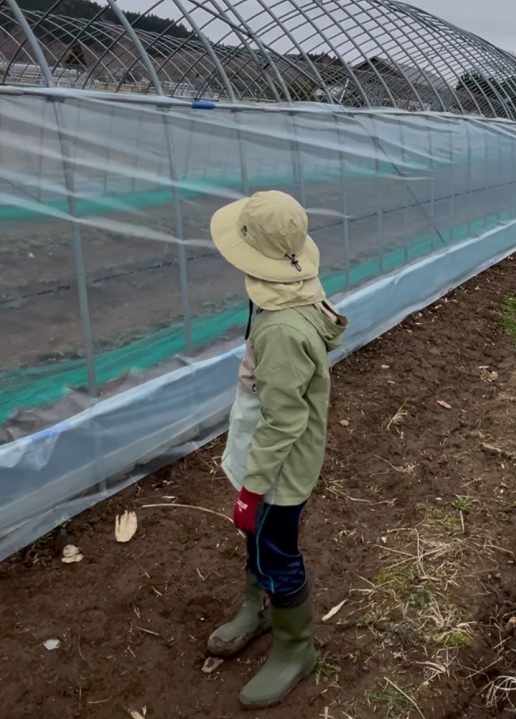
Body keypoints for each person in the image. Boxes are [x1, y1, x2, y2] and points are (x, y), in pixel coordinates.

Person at [207, 190, 347, 708]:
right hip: (270, 452)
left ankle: (295, 648)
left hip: (279, 468)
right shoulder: (291, 291)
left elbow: (283, 421)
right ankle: (258, 607)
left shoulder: (283, 331)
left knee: (277, 551)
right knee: (261, 542)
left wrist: (252, 490)